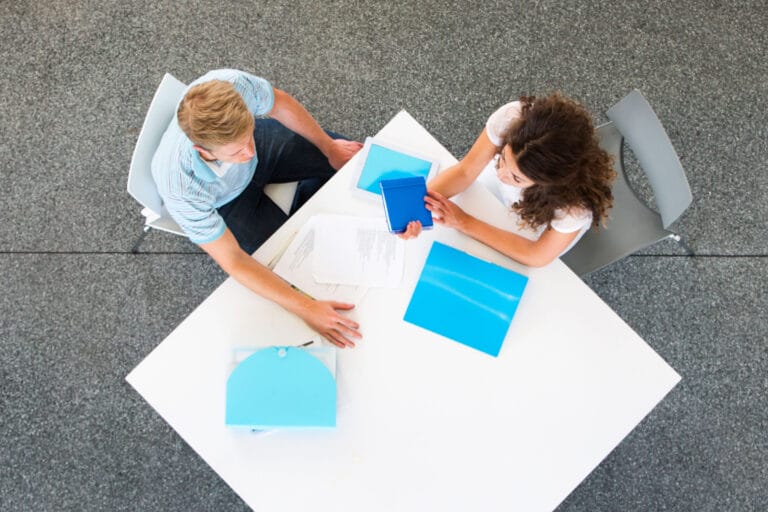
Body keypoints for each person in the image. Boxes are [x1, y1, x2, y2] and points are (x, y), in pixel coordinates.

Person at [152, 69, 363, 348]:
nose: (248, 154)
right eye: (236, 152)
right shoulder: (180, 188)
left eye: (247, 138)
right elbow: (233, 261)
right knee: (296, 271)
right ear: (203, 151)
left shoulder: (231, 87)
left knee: (355, 163)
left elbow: (281, 103)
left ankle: (305, 198)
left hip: (266, 146)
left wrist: (328, 147)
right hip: (226, 202)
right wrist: (305, 308)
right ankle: (307, 202)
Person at [401, 93, 615, 267]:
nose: (501, 173)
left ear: (547, 183)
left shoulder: (573, 206)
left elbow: (535, 255)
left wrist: (464, 222)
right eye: (502, 157)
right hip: (500, 201)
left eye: (516, 177)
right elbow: (466, 171)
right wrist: (415, 209)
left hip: (537, 228)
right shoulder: (513, 118)